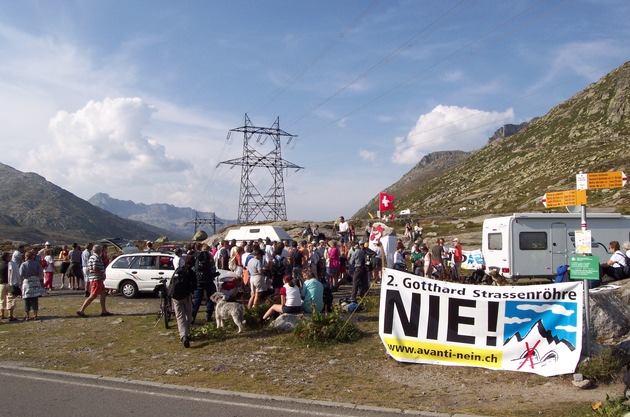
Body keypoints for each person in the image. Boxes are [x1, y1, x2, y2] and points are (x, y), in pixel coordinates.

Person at [77, 245, 112, 317]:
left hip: (97, 279)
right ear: (99, 251)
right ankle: (81, 310)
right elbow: (94, 267)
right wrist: (102, 274)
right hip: (96, 279)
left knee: (103, 294)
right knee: (93, 295)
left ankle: (104, 310)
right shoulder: (96, 257)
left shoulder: (93, 257)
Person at [171, 255, 197, 348]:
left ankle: (183, 335)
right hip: (186, 296)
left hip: (176, 297)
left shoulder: (178, 270)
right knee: (188, 315)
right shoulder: (192, 273)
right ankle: (186, 333)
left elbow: (172, 283)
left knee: (180, 316)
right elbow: (194, 286)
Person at [191, 243, 218, 324]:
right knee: (210, 297)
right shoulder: (209, 256)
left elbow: (193, 268)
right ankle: (208, 315)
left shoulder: (196, 255)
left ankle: (193, 316)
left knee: (197, 299)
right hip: (209, 280)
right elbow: (213, 267)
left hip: (199, 280)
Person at [19, 250, 45, 320]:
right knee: (34, 298)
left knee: (26, 299)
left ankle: (27, 315)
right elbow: (40, 273)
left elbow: (21, 274)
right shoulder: (37, 264)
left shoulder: (23, 264)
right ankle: (35, 315)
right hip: (35, 281)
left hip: (27, 281)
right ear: (33, 257)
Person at [0, 252, 18, 321]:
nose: (11, 257)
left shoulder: (1, 265)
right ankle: (10, 315)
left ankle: (2, 314)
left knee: (1, 299)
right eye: (9, 256)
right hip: (9, 283)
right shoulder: (11, 265)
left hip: (1, 283)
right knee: (10, 298)